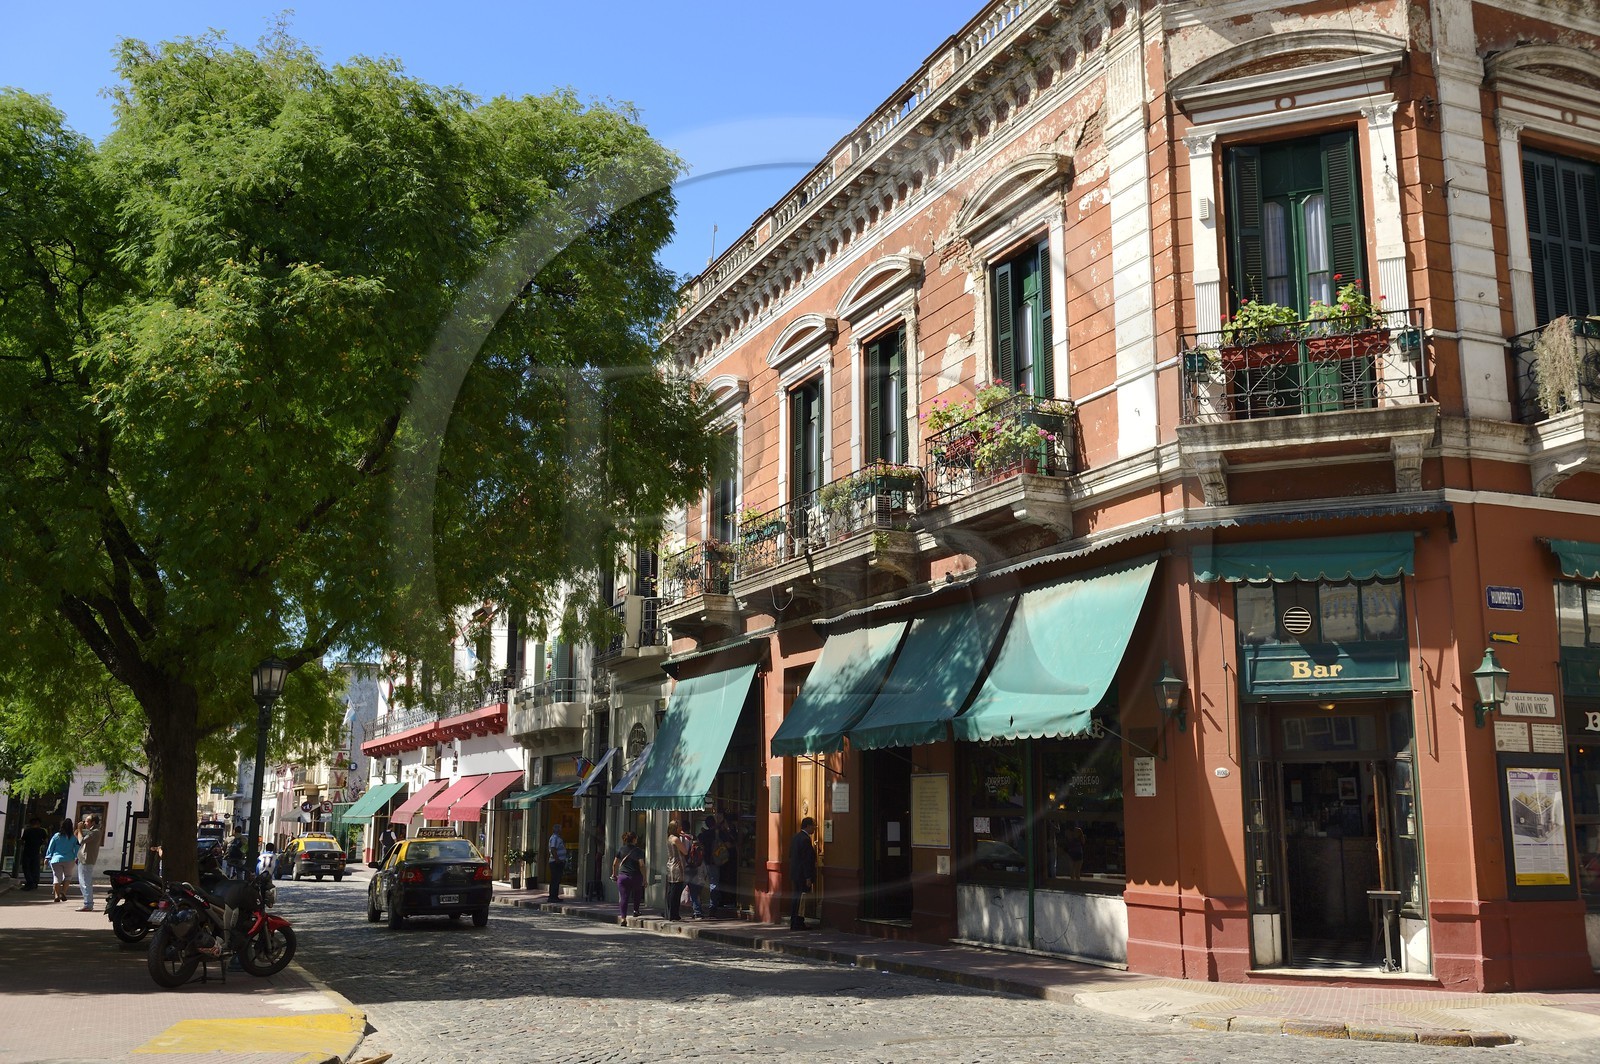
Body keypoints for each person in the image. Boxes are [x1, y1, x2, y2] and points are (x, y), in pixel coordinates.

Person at [788, 817, 818, 931]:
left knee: (796, 898)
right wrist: (808, 877)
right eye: (813, 826)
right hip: (802, 876)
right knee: (801, 900)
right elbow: (806, 860)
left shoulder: (795, 837)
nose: (815, 828)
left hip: (795, 874)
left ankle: (794, 921)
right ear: (808, 826)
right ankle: (798, 923)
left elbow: (790, 855)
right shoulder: (805, 840)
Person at [610, 831, 645, 924]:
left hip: (623, 876)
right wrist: (644, 878)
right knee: (638, 892)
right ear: (634, 839)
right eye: (636, 838)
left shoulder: (621, 849)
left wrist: (614, 874)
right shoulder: (638, 851)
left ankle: (623, 918)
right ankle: (636, 910)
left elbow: (615, 864)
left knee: (624, 897)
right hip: (635, 876)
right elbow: (641, 865)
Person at [44, 819, 80, 904]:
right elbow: (77, 848)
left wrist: (47, 857)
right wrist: (76, 857)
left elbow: (51, 847)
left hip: (56, 859)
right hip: (69, 859)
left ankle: (56, 895)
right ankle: (63, 892)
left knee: (57, 877)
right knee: (68, 876)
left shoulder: (57, 836)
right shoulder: (73, 838)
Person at [663, 819, 690, 921]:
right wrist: (683, 838)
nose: (681, 828)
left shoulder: (669, 838)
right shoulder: (676, 839)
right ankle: (674, 914)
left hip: (670, 865)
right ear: (675, 828)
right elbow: (685, 851)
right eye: (679, 827)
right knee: (676, 891)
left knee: (671, 890)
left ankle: (670, 913)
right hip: (678, 866)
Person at [74, 815, 103, 911]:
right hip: (83, 859)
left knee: (85, 882)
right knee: (84, 882)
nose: (85, 823)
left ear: (93, 822)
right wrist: (79, 830)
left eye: (87, 821)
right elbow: (78, 836)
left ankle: (88, 904)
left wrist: (79, 829)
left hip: (86, 860)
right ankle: (87, 903)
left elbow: (81, 840)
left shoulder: (95, 832)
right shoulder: (92, 831)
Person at [696, 815, 722, 911]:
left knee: (701, 882)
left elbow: (699, 840)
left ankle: (698, 904)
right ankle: (713, 906)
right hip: (715, 860)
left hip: (704, 860)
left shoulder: (704, 835)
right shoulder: (717, 833)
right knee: (714, 883)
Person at [18, 817, 47, 892]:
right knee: (35, 868)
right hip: (36, 851)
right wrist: (40, 844)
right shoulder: (42, 831)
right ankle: (35, 882)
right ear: (39, 824)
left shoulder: (27, 831)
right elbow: (45, 840)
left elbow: (22, 840)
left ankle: (30, 882)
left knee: (26, 867)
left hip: (27, 851)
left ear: (31, 824)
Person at [546, 824, 568, 903]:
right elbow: (553, 849)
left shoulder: (558, 838)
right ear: (557, 830)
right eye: (560, 829)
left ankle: (554, 896)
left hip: (558, 861)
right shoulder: (554, 838)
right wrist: (557, 859)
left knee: (556, 880)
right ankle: (552, 897)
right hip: (555, 862)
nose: (561, 830)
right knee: (555, 879)